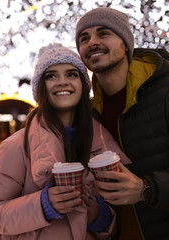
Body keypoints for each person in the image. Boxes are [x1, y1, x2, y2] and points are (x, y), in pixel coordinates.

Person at [0, 43, 131, 239]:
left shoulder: (102, 144)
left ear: (83, 84)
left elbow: (119, 214)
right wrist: (43, 205)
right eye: (51, 76)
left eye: (72, 74)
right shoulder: (17, 146)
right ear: (41, 88)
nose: (62, 82)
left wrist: (99, 217)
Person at [75, 7, 169, 240]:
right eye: (84, 38)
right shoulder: (87, 113)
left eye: (103, 33)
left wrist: (146, 189)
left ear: (126, 44)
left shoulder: (165, 91)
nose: (92, 42)